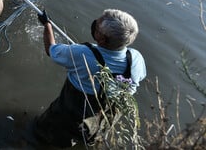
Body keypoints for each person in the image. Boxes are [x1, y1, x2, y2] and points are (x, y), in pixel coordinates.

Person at [32, 9, 146, 148]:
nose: (94, 25)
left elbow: (51, 49)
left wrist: (47, 24)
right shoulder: (136, 58)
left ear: (103, 39)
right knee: (89, 135)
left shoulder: (83, 53)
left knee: (44, 133)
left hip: (71, 112)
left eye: (97, 27)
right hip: (105, 117)